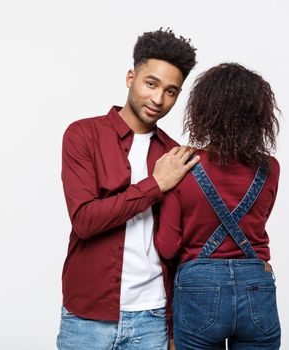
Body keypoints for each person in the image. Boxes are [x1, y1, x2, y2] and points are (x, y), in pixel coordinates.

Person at [57, 28, 198, 350]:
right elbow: (85, 220)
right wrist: (155, 185)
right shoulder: (83, 135)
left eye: (171, 91)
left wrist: (176, 330)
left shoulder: (175, 155)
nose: (159, 99)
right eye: (151, 83)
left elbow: (182, 249)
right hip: (87, 320)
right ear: (130, 77)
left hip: (153, 318)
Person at [155, 63, 282, 349]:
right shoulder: (270, 168)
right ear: (259, 115)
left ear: (204, 110)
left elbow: (166, 247)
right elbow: (258, 219)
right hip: (256, 285)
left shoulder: (183, 164)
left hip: (199, 287)